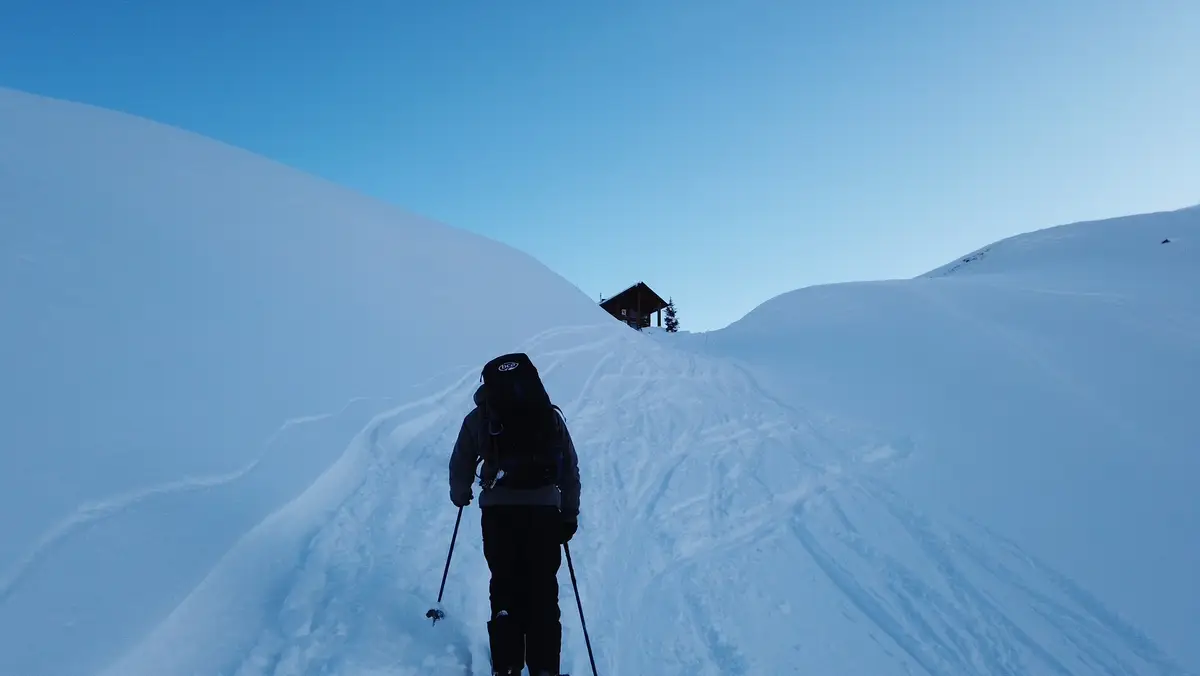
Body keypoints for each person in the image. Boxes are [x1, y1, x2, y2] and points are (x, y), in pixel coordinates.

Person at [449, 352, 581, 676]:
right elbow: (570, 468)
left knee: (504, 584)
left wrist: (461, 493)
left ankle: (506, 665)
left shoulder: (480, 417)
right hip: (544, 514)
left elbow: (461, 460)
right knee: (543, 589)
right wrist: (569, 513)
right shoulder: (547, 416)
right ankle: (545, 668)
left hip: (499, 515)